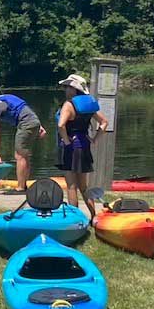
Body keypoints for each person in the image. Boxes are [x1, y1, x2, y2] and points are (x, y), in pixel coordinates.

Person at [56, 74, 108, 212]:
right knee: (83, 186)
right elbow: (104, 122)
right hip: (84, 146)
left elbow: (61, 125)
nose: (66, 89)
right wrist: (95, 139)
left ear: (74, 89)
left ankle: (75, 217)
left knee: (71, 185)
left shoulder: (69, 104)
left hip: (71, 148)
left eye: (68, 87)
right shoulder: (88, 104)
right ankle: (93, 214)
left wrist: (66, 141)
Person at [0, 87, 45, 189]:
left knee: (19, 155)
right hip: (33, 120)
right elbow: (24, 108)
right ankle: (24, 185)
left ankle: (21, 187)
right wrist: (39, 125)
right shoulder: (7, 97)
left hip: (25, 123)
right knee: (24, 155)